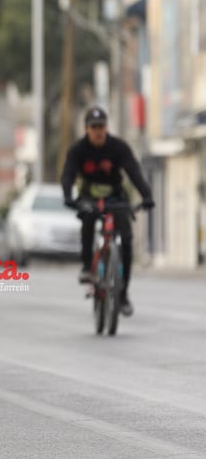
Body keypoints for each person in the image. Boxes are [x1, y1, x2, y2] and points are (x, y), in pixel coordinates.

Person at [60, 106, 155, 317]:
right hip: (89, 198)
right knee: (87, 219)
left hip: (115, 198)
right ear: (86, 129)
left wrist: (147, 196)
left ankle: (123, 293)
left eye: (101, 126)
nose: (97, 131)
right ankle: (87, 267)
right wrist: (68, 196)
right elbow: (68, 175)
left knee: (127, 240)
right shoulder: (78, 150)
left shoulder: (118, 148)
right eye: (93, 127)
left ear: (106, 127)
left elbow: (134, 172)